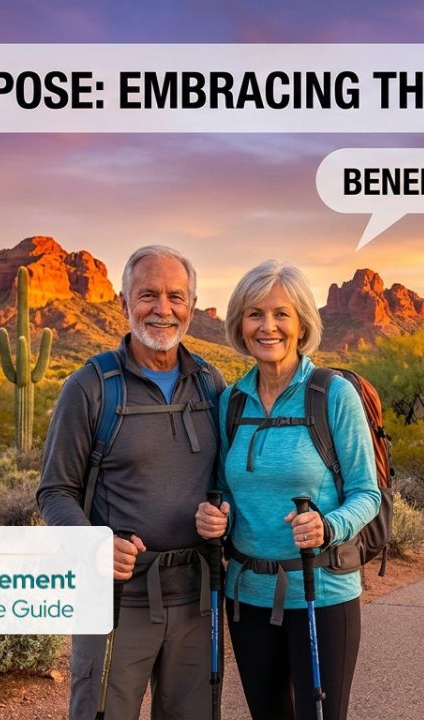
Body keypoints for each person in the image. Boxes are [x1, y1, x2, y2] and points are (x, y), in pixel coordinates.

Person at [38, 245, 227, 720]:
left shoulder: (210, 383)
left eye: (175, 297)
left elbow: (223, 480)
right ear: (124, 302)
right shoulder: (91, 386)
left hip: (196, 596)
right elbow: (54, 491)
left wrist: (222, 513)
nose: (163, 309)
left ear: (191, 303)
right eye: (148, 295)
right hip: (115, 599)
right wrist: (95, 543)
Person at [195, 259, 380, 720]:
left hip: (322, 590)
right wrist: (217, 517)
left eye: (281, 314)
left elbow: (366, 493)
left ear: (301, 323)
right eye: (255, 313)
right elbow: (224, 489)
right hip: (246, 593)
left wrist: (327, 525)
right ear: (240, 323)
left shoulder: (331, 394)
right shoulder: (231, 401)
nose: (268, 326)